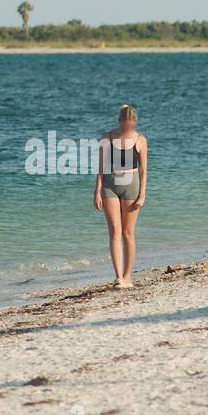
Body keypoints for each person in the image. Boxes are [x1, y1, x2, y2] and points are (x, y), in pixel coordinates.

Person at [93, 104, 147, 288]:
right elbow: (100, 168)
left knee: (127, 233)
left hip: (131, 187)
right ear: (120, 121)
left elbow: (143, 171)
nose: (127, 127)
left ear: (134, 122)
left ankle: (127, 277)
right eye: (125, 124)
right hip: (110, 185)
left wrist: (142, 195)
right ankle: (118, 277)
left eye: (130, 124)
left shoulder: (140, 140)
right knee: (115, 231)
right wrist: (97, 191)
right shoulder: (106, 138)